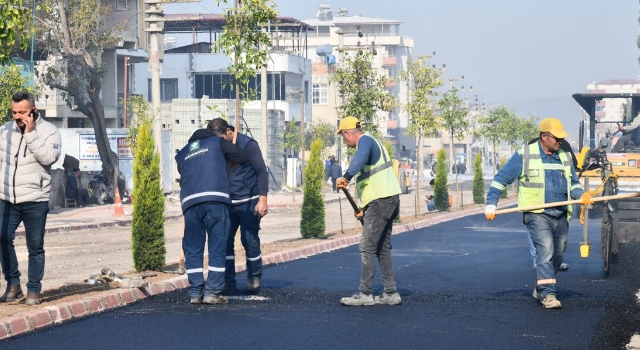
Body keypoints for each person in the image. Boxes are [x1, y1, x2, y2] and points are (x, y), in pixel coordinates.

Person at [485, 118, 593, 309]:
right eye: (556, 138)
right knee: (546, 251)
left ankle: (540, 287)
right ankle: (548, 295)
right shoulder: (524, 155)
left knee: (557, 257)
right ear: (544, 137)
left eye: (561, 138)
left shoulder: (565, 157)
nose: (560, 141)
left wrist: (581, 195)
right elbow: (501, 179)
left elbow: (574, 183)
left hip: (561, 213)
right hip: (537, 213)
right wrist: (491, 203)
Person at [0, 91, 62, 306]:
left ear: (34, 110)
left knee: (35, 246)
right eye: (14, 112)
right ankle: (13, 284)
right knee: (2, 237)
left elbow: (49, 157)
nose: (18, 116)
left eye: (23, 112)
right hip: (7, 198)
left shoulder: (49, 132)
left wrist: (30, 133)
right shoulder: (5, 131)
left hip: (35, 198)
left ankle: (33, 289)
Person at [335, 117, 402, 306]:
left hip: (381, 201)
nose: (344, 140)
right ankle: (391, 293)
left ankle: (364, 293)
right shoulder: (375, 141)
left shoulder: (365, 141)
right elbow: (370, 178)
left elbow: (361, 156)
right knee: (382, 247)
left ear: (347, 133)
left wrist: (347, 177)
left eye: (343, 136)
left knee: (367, 245)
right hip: (388, 198)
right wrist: (363, 208)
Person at [175, 128, 247, 304]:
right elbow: (242, 157)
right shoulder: (217, 142)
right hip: (215, 199)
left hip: (190, 203)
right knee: (217, 245)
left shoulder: (182, 153)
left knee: (193, 247)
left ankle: (195, 292)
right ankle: (212, 292)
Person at [208, 118, 268, 294]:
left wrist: (262, 199)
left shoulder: (248, 145)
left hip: (248, 202)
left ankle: (254, 276)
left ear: (229, 131)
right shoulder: (218, 146)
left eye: (221, 138)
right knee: (225, 242)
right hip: (227, 203)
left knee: (249, 241)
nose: (219, 143)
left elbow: (261, 171)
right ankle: (228, 281)